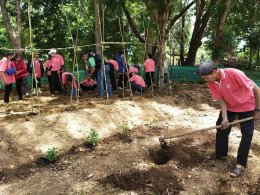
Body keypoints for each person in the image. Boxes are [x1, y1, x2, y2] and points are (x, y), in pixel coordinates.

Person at [197, 61, 260, 177]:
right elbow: (221, 100)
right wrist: (225, 118)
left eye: (206, 77)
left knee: (247, 134)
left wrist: (257, 110)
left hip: (247, 106)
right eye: (204, 78)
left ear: (215, 72)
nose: (206, 80)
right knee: (221, 127)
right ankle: (221, 154)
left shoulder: (234, 73)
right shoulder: (212, 82)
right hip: (230, 106)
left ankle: (240, 164)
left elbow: (256, 89)